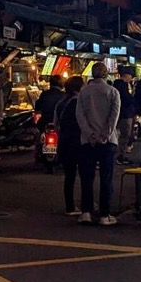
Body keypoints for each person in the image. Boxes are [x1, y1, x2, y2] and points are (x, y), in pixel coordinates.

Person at [75, 62, 120, 225]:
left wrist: (90, 134)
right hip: (107, 141)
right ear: (106, 74)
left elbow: (79, 116)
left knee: (87, 177)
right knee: (106, 177)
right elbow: (114, 117)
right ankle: (104, 215)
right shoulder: (113, 92)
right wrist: (105, 135)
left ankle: (86, 212)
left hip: (87, 141)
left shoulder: (83, 93)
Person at [54, 76, 84, 215]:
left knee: (69, 175)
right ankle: (86, 204)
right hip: (77, 141)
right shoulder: (79, 103)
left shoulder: (61, 103)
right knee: (85, 174)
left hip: (64, 141)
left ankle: (70, 206)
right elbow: (82, 122)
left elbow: (56, 124)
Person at [113, 70, 135, 163]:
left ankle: (117, 155)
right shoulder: (122, 85)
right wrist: (132, 99)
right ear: (127, 75)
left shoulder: (115, 85)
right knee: (125, 134)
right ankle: (119, 156)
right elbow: (126, 99)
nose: (131, 79)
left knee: (117, 134)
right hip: (125, 113)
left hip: (118, 113)